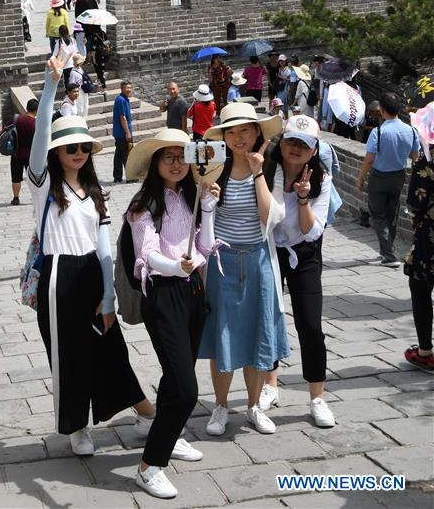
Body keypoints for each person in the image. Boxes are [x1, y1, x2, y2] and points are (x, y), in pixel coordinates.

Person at [27, 52, 152, 455]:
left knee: (111, 347)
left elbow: (103, 249)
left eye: (83, 146)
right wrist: (51, 85)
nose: (78, 153)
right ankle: (77, 426)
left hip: (93, 275)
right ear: (57, 153)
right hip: (58, 275)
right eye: (70, 148)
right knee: (70, 354)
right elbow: (41, 131)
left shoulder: (97, 194)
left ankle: (146, 413)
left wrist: (109, 294)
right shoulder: (45, 187)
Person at [127, 129, 220, 499]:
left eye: (182, 156)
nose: (177, 164)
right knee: (185, 388)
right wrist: (174, 266)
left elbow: (206, 246)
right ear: (155, 163)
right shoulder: (142, 205)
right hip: (163, 296)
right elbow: (146, 254)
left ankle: (171, 434)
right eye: (168, 157)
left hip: (194, 291)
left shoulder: (191, 197)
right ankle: (149, 466)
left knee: (174, 375)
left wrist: (209, 210)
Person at [199, 102, 288, 436]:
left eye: (244, 130)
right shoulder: (212, 169)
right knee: (222, 334)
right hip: (222, 263)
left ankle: (252, 406)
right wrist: (208, 200)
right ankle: (221, 406)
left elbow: (270, 219)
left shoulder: (269, 170)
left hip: (258, 261)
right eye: (231, 131)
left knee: (256, 335)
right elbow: (204, 220)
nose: (238, 137)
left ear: (256, 134)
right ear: (224, 136)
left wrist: (258, 172)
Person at [261, 115, 336, 428]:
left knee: (310, 323)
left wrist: (304, 197)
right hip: (268, 250)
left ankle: (317, 397)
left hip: (303, 254)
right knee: (268, 319)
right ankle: (270, 385)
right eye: (291, 141)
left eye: (303, 144)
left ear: (314, 149)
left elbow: (310, 231)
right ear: (282, 142)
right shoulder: (266, 170)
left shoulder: (322, 178)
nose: (296, 148)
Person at [357, 92, 420, 267]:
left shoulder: (378, 132)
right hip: (399, 176)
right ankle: (388, 249)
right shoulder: (411, 131)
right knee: (392, 214)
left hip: (379, 177)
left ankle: (389, 256)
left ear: (382, 110)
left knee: (378, 215)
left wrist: (360, 178)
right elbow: (415, 156)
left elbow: (369, 159)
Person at [403, 118, 434, 373]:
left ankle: (425, 351)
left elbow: (415, 201)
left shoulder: (427, 159)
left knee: (421, 286)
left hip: (430, 237)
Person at [10, 98, 39, 206]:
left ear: (27, 108)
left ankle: (16, 198)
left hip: (16, 153)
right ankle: (36, 197)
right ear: (37, 110)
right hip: (31, 155)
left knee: (16, 178)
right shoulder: (36, 123)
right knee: (33, 178)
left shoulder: (17, 119)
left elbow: (4, 130)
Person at [113, 81, 133, 183]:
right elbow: (122, 117)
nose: (129, 89)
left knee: (119, 155)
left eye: (130, 87)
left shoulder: (123, 99)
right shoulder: (121, 100)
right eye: (126, 88)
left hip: (120, 132)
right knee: (126, 154)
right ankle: (129, 176)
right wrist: (127, 132)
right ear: (121, 89)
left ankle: (117, 177)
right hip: (122, 133)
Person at [68, 54, 90, 118]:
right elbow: (72, 84)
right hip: (78, 91)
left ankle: (84, 121)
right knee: (80, 107)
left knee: (85, 105)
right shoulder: (73, 72)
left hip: (84, 89)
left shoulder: (80, 69)